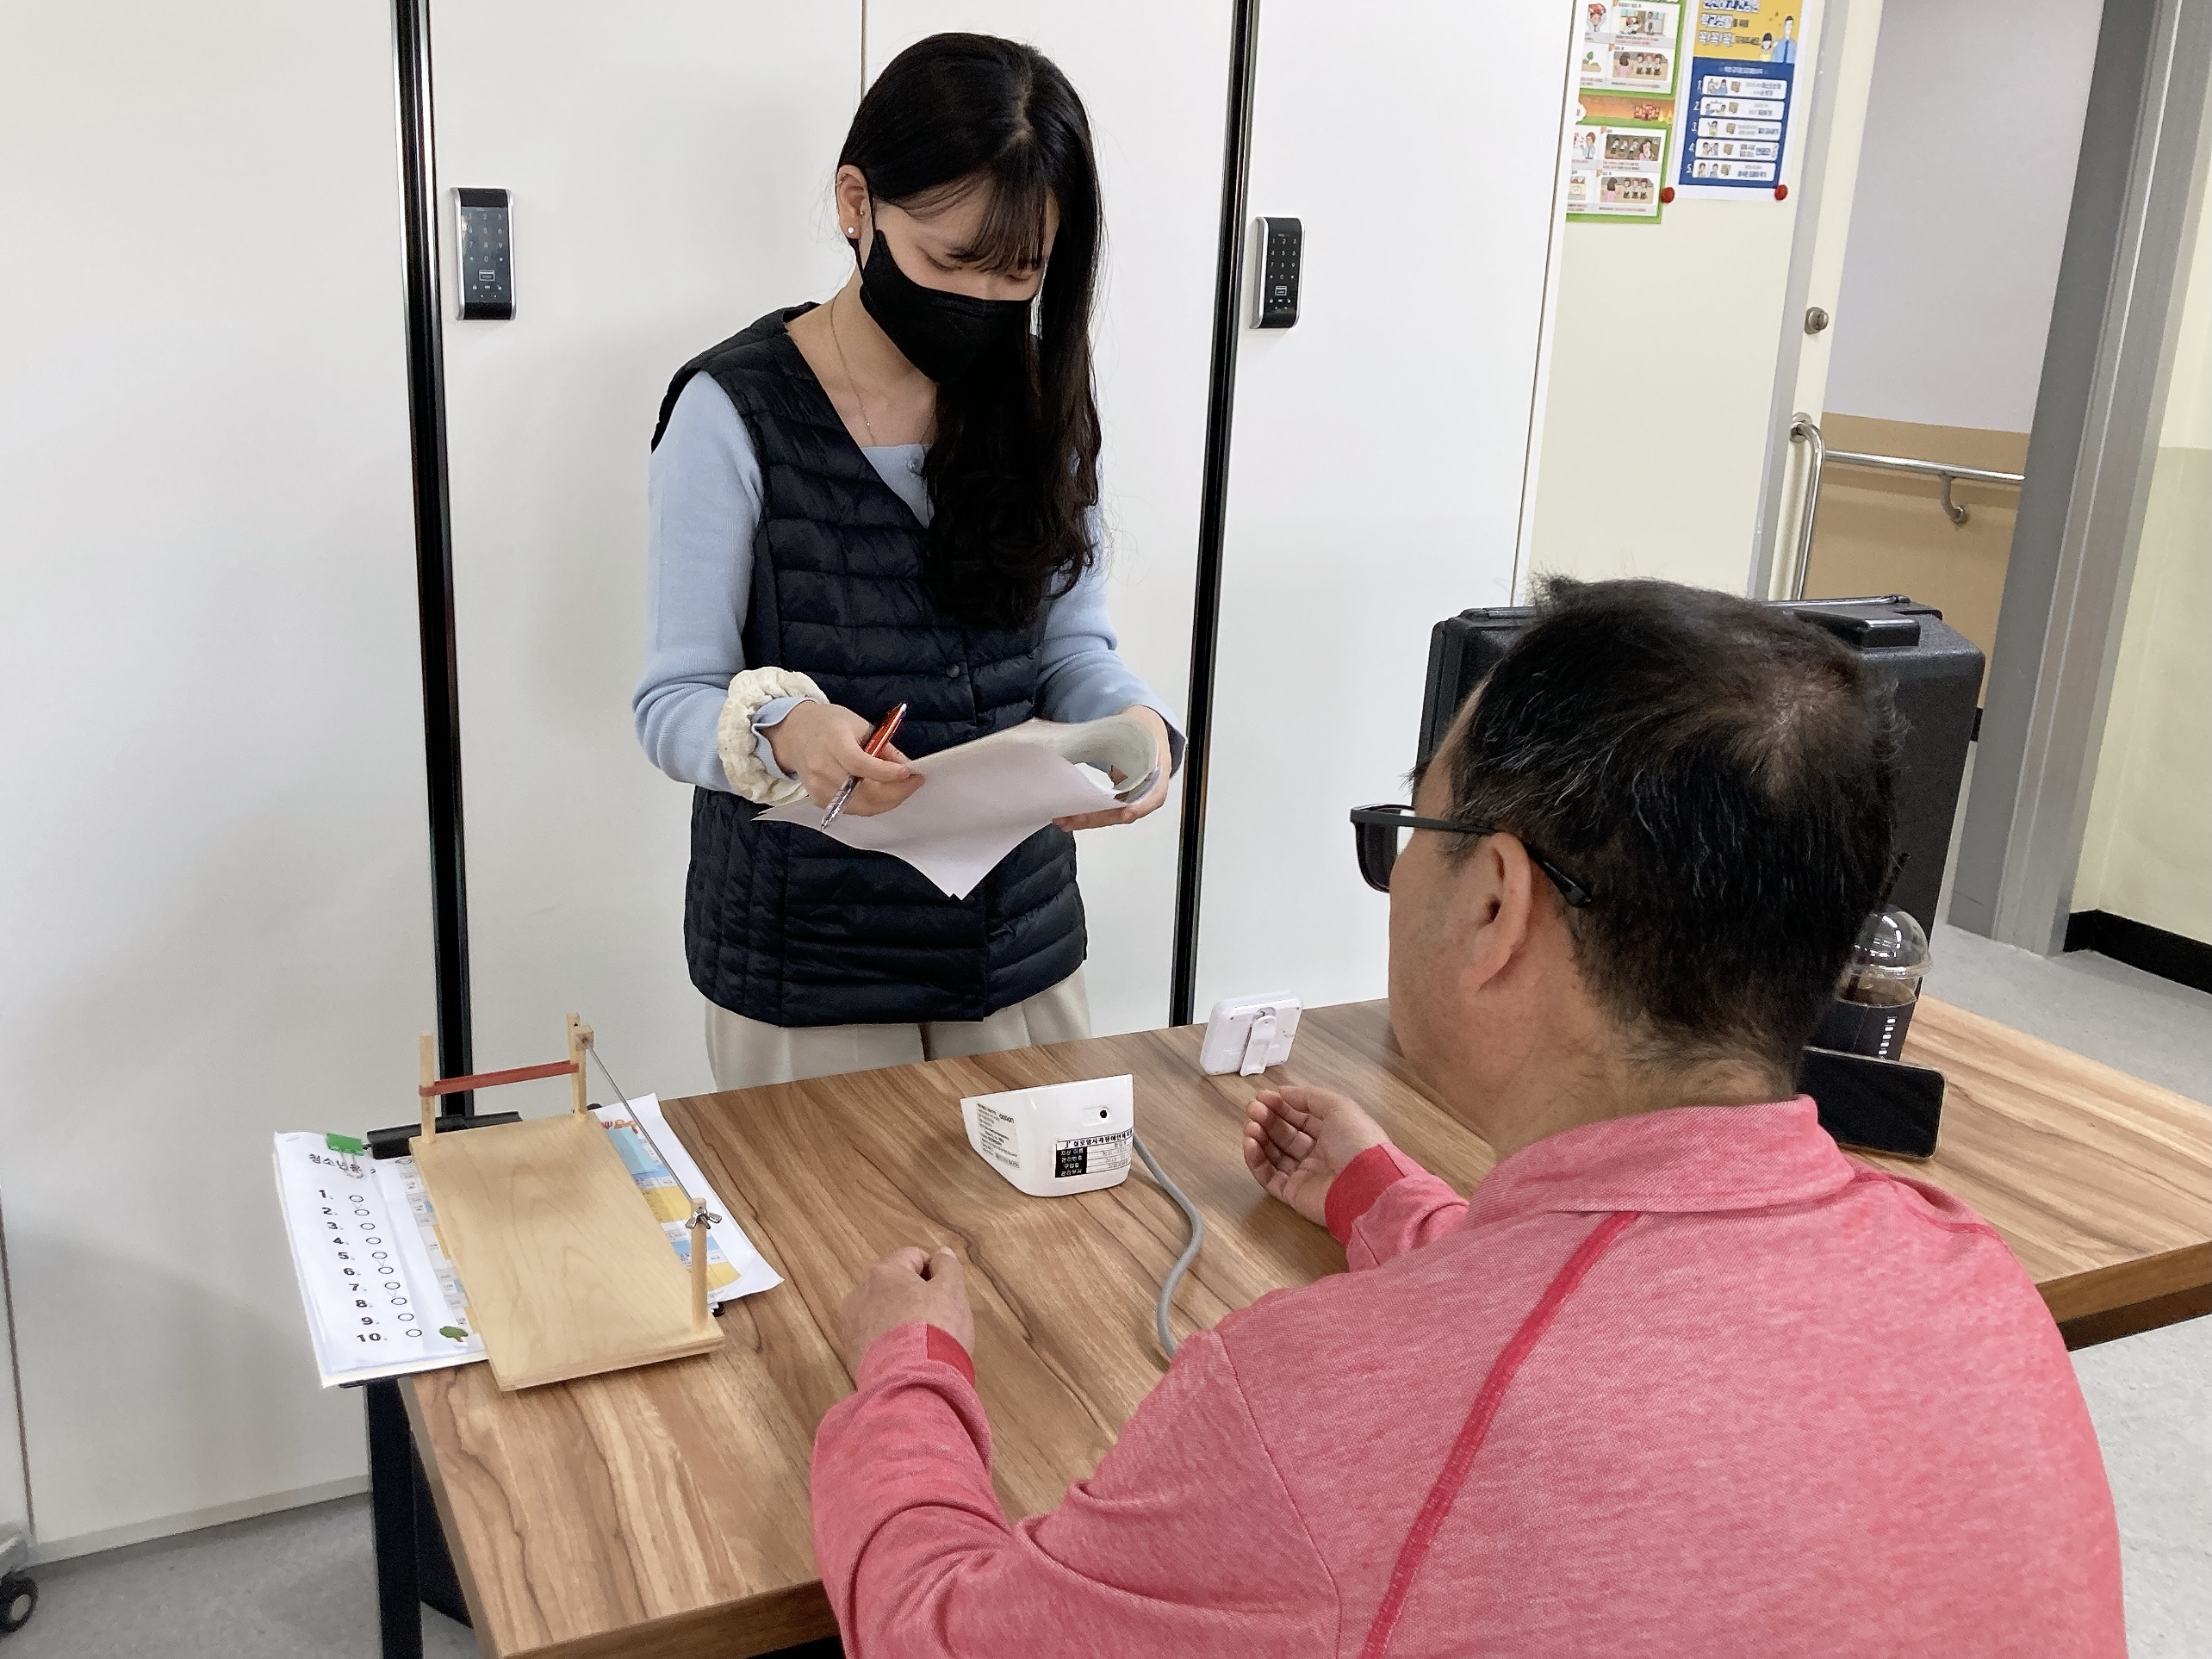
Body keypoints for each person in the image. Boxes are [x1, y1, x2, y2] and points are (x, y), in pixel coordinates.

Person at [810, 579, 2126, 1656]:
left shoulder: (1295, 1407)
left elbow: (936, 1634)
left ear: (1497, 903)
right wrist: (1387, 1201)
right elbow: (1642, 1341)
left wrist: (908, 1375)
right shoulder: (1978, 1286)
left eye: (1413, 825)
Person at [633, 34, 1180, 1091]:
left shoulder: (1036, 403)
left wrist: (1142, 729)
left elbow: (1076, 650)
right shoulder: (729, 412)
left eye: (1019, 273)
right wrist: (786, 730)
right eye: (949, 261)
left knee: (1048, 1253)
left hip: (1015, 950)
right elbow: (671, 700)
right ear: (856, 204)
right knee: (832, 1256)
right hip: (809, 974)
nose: (982, 302)